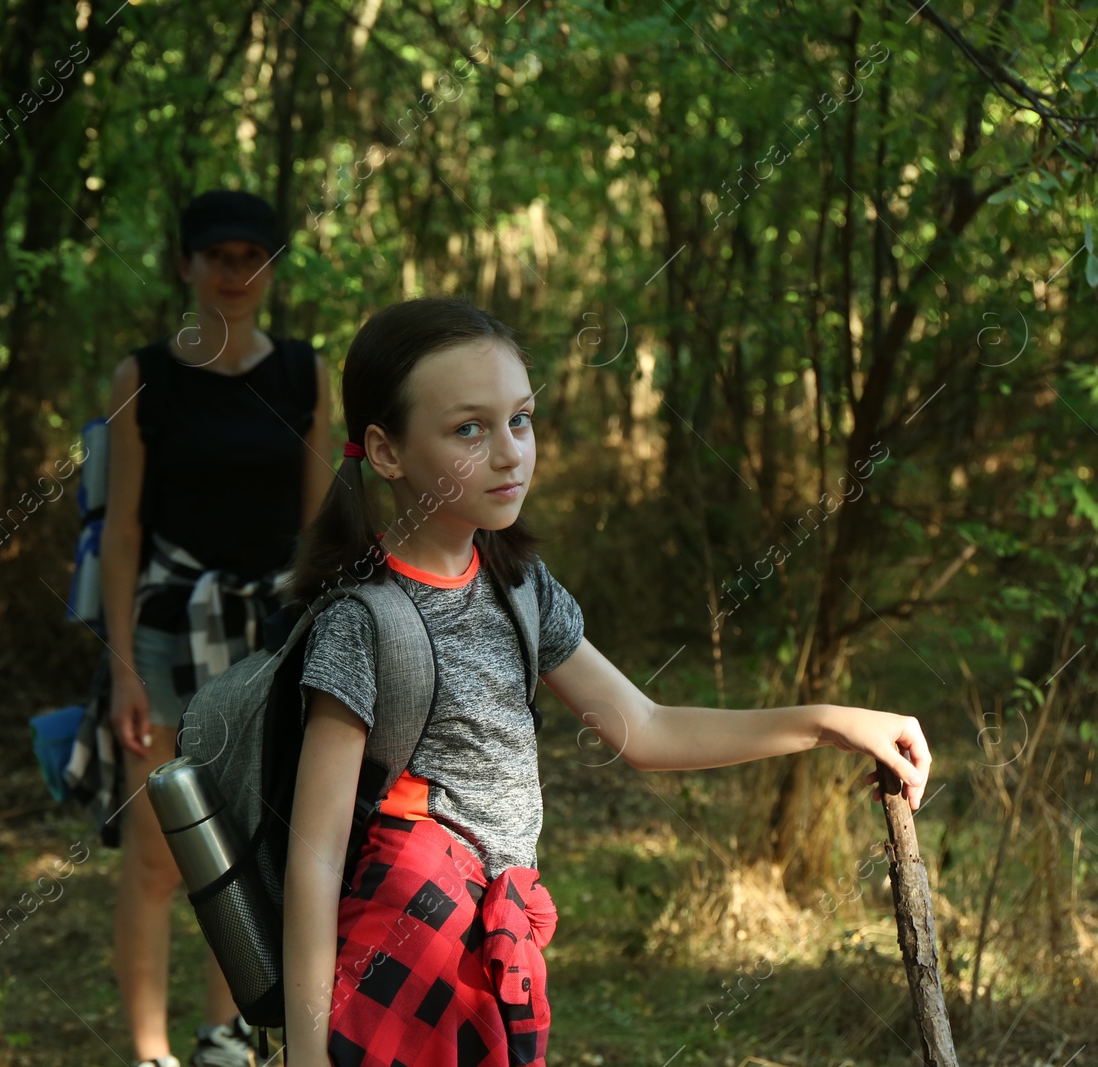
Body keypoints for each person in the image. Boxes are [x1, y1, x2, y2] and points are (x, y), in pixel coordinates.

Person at [279, 296, 934, 1067]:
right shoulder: (366, 623)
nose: (509, 452)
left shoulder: (519, 587)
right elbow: (314, 857)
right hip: (400, 961)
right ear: (386, 451)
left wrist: (830, 722)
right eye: (469, 428)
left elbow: (645, 727)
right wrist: (308, 1051)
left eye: (520, 419)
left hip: (494, 955)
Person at [97, 189, 333, 1067]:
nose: (236, 273)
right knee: (161, 857)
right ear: (187, 265)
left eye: (253, 256)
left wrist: (324, 640)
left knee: (247, 849)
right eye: (218, 255)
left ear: (271, 268)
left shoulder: (306, 373)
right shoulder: (144, 377)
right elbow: (122, 532)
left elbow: (319, 527)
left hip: (270, 637)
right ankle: (151, 1051)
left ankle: (222, 1037)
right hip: (166, 633)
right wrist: (120, 666)